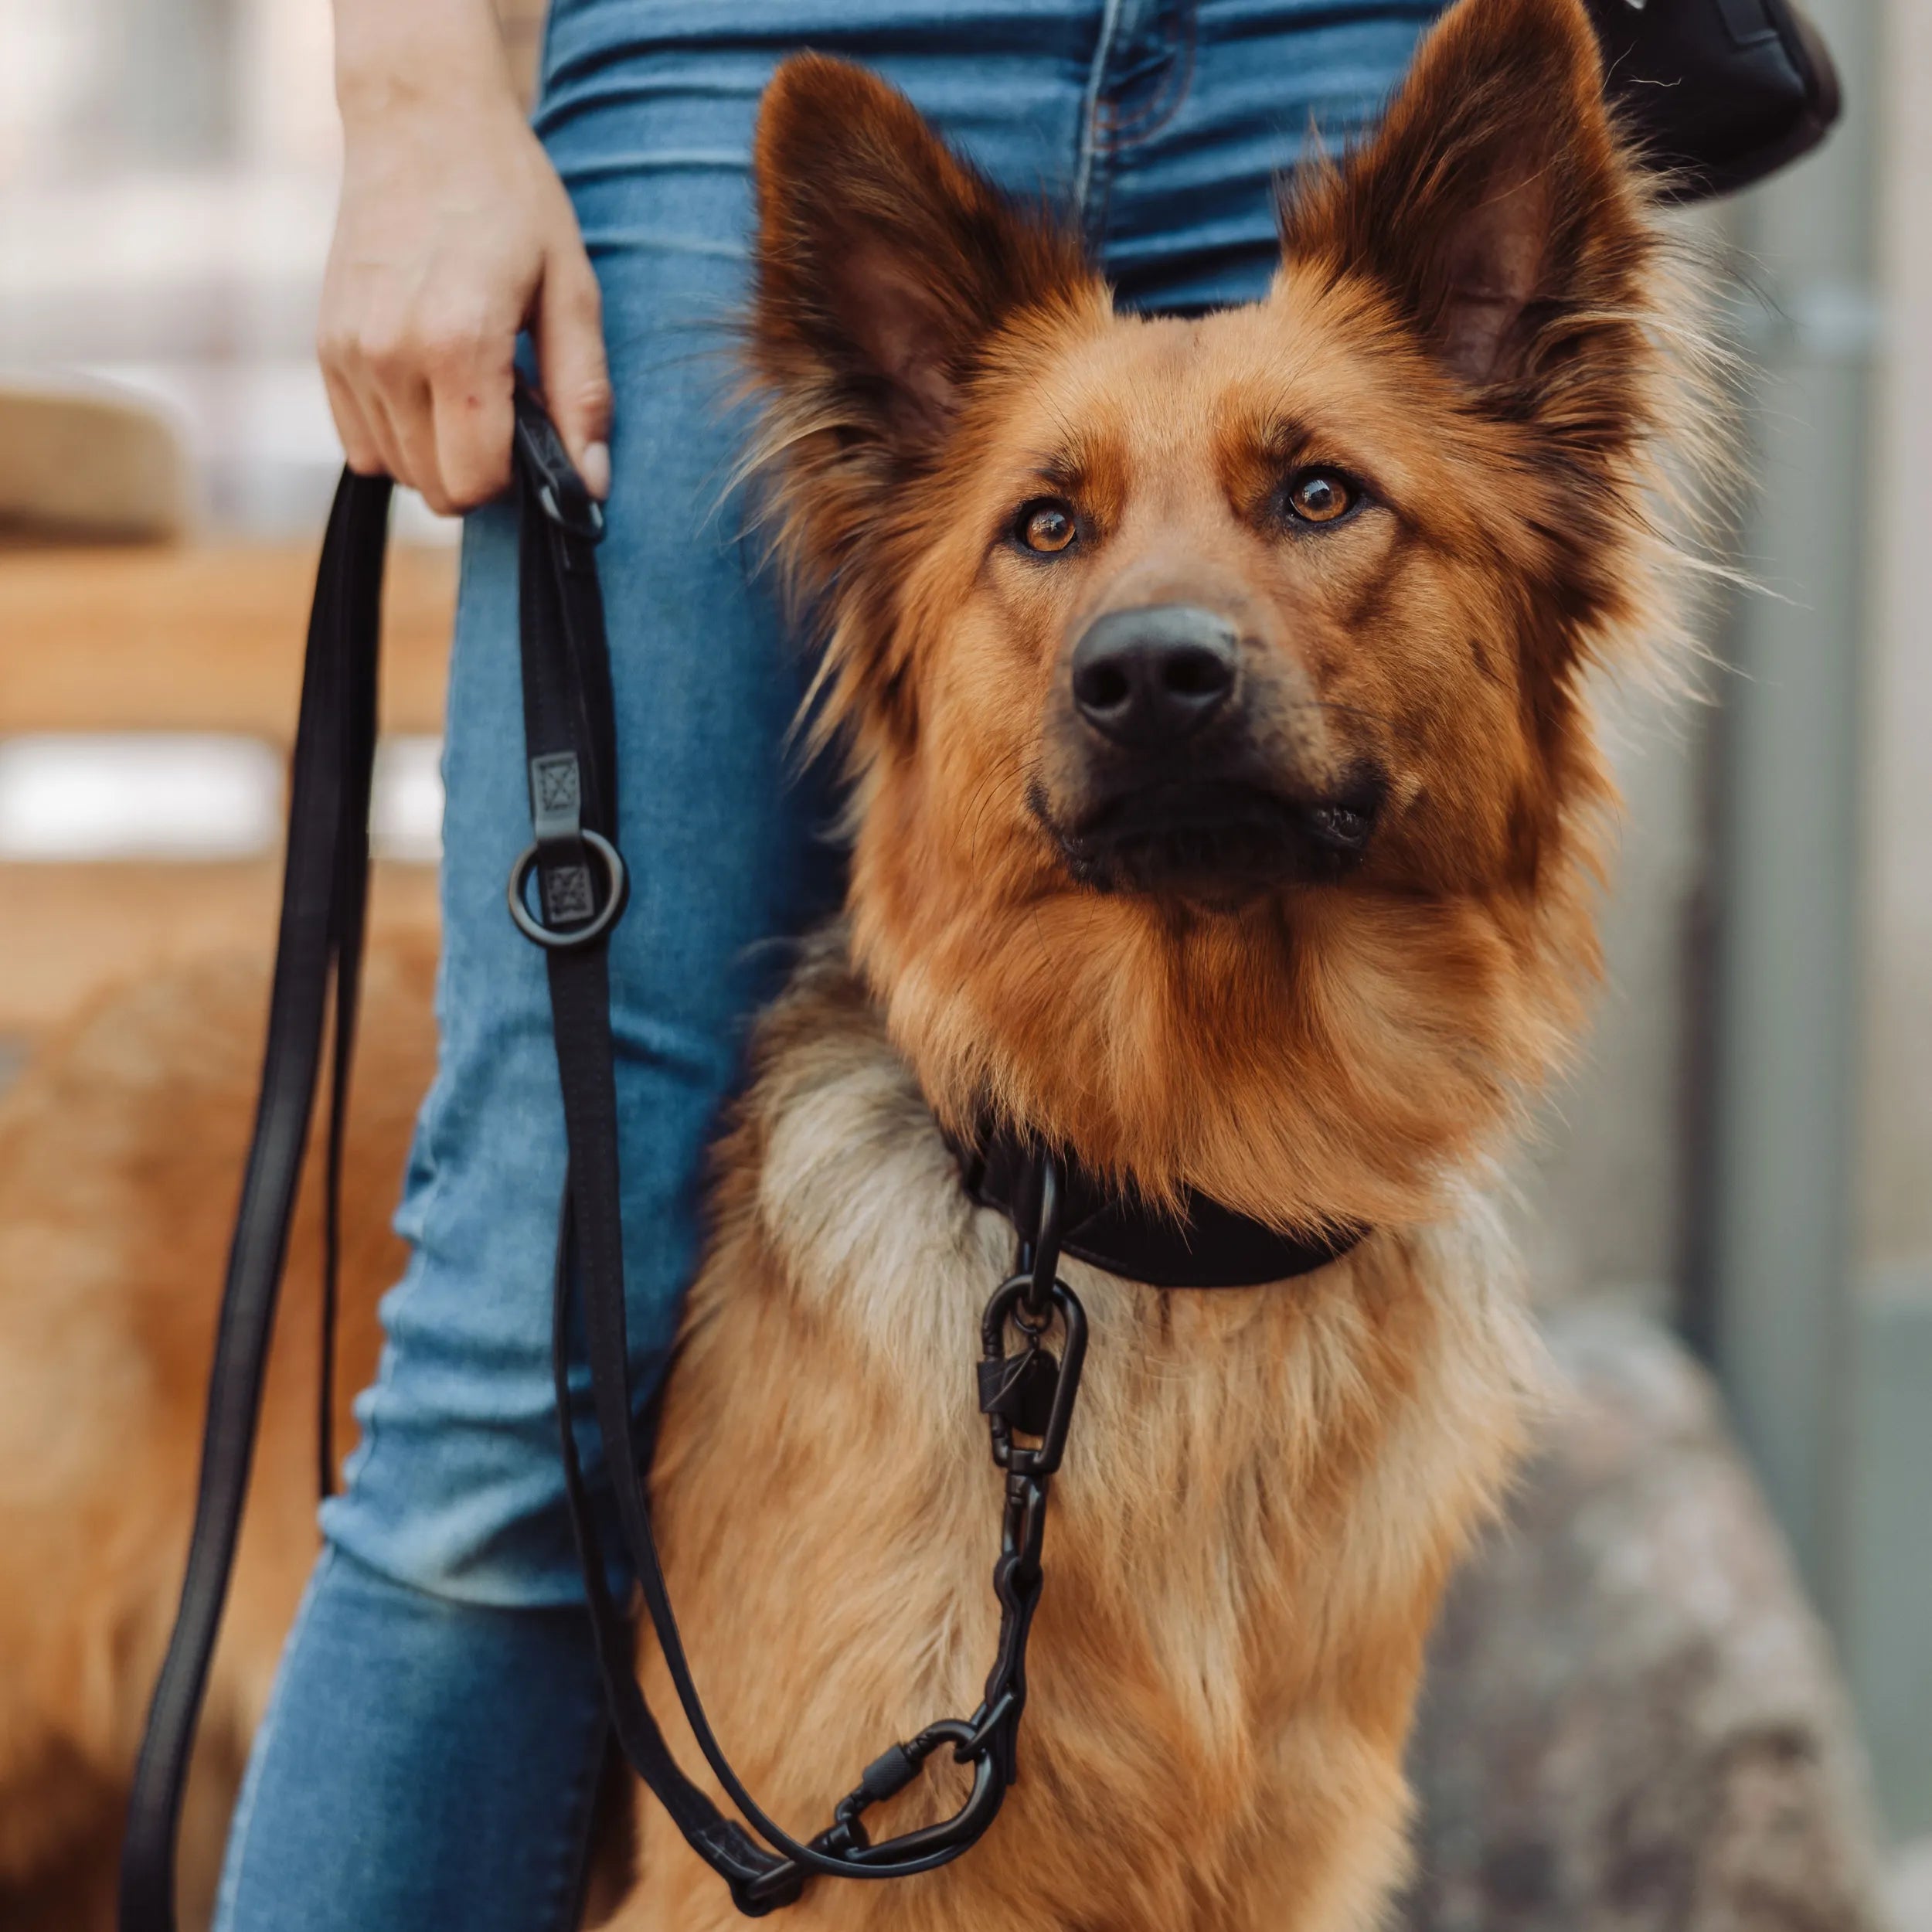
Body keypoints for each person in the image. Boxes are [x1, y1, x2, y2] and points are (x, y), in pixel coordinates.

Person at [213, 0, 1447, 1923]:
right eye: (1056, 534)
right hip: (754, 33)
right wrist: (412, 97)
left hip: (1321, 36)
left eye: (1310, 505)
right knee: (517, 1346)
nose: (1156, 640)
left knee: (1317, 1192)